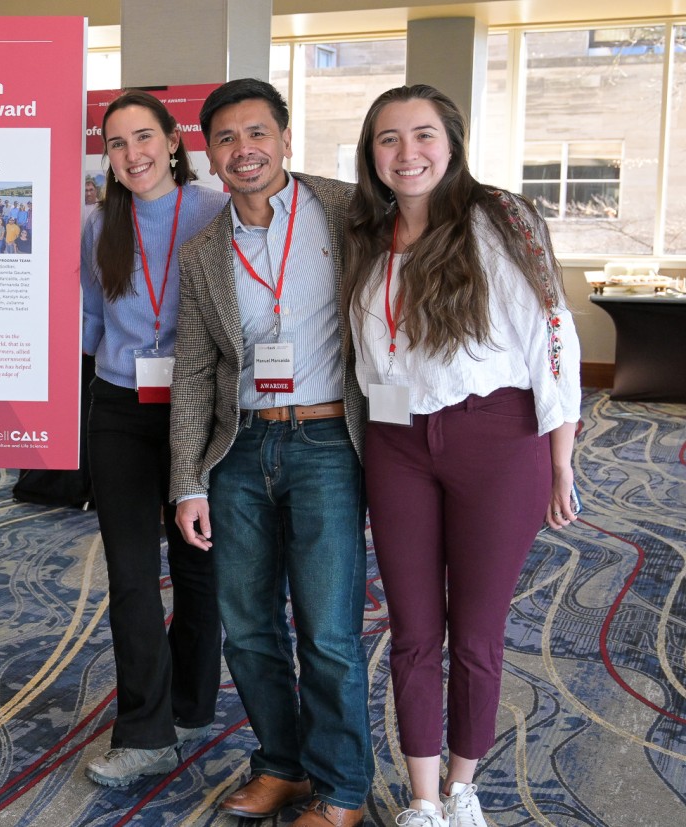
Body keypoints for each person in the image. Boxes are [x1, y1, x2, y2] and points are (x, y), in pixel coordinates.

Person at [343, 85, 581, 827]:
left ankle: (462, 785)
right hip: (397, 442)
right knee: (413, 628)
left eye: (422, 135)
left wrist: (561, 458)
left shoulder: (499, 218)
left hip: (497, 438)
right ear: (371, 152)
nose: (406, 152)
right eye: (388, 139)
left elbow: (554, 337)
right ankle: (420, 797)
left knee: (476, 628)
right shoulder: (364, 233)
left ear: (452, 142)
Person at [169, 78, 372, 827]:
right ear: (211, 155)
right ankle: (282, 765)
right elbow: (194, 370)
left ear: (285, 138)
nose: (243, 149)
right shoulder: (203, 252)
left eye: (257, 132)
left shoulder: (351, 210)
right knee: (248, 624)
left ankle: (344, 785)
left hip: (327, 443)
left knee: (327, 629)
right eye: (225, 138)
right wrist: (188, 480)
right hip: (242, 449)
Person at [79, 89, 229, 787]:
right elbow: (87, 323)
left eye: (144, 137)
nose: (131, 154)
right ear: (105, 156)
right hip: (120, 407)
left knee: (200, 564)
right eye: (116, 143)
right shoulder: (95, 225)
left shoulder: (215, 210)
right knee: (132, 574)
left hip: (198, 405)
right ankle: (145, 728)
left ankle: (193, 703)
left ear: (174, 140)